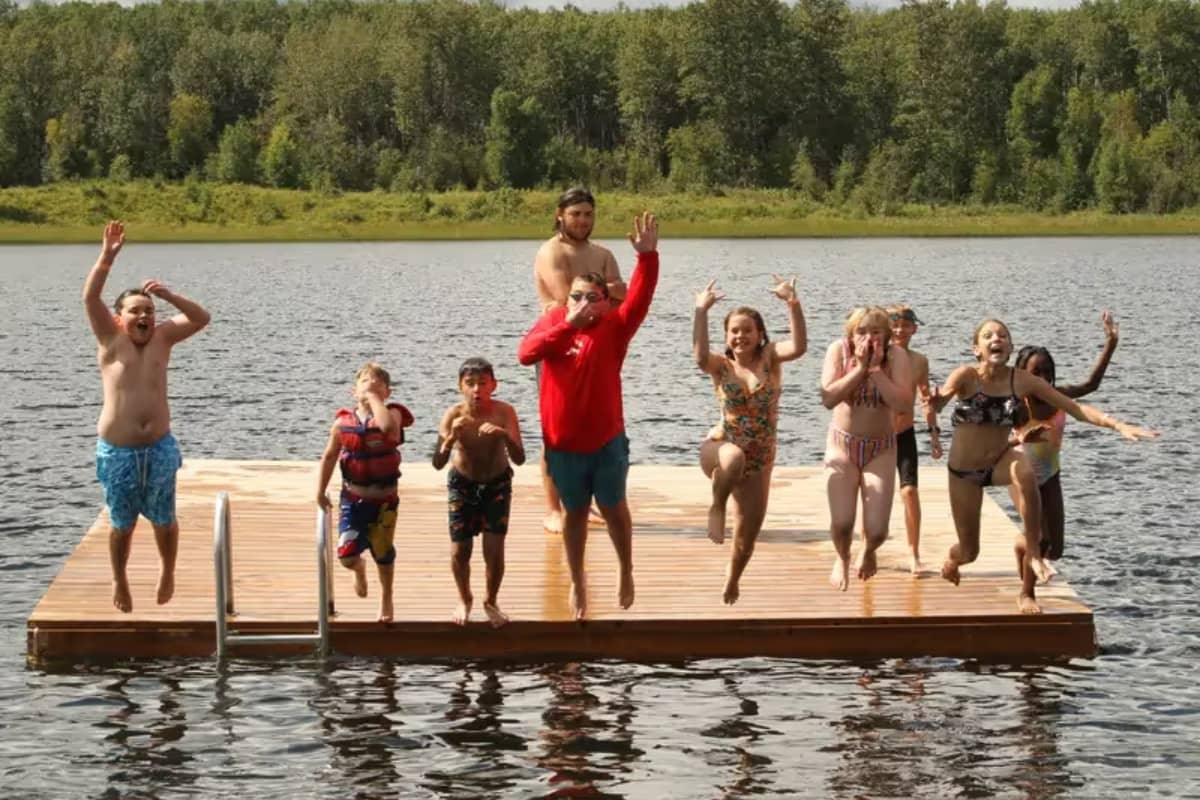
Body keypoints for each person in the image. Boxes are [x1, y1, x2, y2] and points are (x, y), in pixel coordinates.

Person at [930, 319, 1156, 614]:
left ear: (1010, 346)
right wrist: (935, 402)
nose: (996, 338)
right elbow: (942, 399)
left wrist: (1118, 425)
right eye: (988, 335)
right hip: (965, 472)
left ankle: (1033, 559)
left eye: (1002, 335)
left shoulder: (1022, 382)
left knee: (1026, 476)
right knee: (970, 551)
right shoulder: (967, 376)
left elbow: (1077, 407)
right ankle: (953, 559)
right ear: (977, 349)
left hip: (1007, 463)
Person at [518, 211, 659, 620]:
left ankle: (626, 569)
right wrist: (567, 325)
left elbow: (640, 299)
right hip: (563, 446)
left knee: (614, 509)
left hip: (606, 442)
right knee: (575, 514)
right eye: (576, 296)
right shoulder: (553, 323)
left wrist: (647, 258)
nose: (582, 303)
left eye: (591, 298)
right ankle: (578, 581)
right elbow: (525, 354)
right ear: (568, 300)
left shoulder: (614, 328)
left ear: (604, 303)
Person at [83, 221, 211, 613]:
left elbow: (201, 317)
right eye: (135, 310)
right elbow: (90, 297)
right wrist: (107, 256)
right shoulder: (111, 339)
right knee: (121, 523)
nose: (144, 316)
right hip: (119, 451)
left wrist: (168, 295)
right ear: (118, 318)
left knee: (164, 518)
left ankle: (167, 570)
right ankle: (119, 578)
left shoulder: (163, 337)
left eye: (149, 311)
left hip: (158, 447)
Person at [693, 276, 807, 604]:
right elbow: (699, 357)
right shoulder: (721, 365)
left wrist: (793, 303)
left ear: (760, 335)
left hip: (761, 457)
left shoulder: (770, 358)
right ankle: (717, 506)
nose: (740, 336)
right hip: (721, 447)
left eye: (747, 330)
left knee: (746, 538)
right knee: (733, 459)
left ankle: (733, 578)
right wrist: (701, 311)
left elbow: (798, 347)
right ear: (726, 336)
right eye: (734, 331)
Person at [532, 187, 627, 534]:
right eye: (575, 214)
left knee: (593, 423)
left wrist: (602, 295)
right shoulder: (551, 252)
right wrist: (607, 293)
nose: (582, 220)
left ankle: (581, 503)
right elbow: (568, 301)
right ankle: (552, 508)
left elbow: (624, 294)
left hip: (597, 347)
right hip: (558, 347)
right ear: (560, 215)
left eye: (588, 214)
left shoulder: (602, 253)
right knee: (556, 431)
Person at [1011, 310, 1119, 583]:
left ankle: (1021, 547)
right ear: (1023, 374)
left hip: (1050, 476)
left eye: (1048, 372)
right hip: (1022, 477)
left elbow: (1091, 385)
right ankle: (1027, 592)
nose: (1043, 378)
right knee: (1039, 539)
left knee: (1055, 549)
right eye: (1036, 372)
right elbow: (994, 439)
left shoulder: (1058, 396)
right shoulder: (1017, 405)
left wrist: (1111, 343)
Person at [820, 307, 913, 592]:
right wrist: (859, 369)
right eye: (861, 332)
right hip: (843, 445)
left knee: (878, 530)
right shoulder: (838, 351)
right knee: (842, 522)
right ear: (851, 335)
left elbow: (903, 404)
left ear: (886, 335)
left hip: (880, 448)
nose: (868, 338)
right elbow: (828, 398)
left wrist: (875, 370)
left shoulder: (896, 356)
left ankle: (869, 549)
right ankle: (842, 556)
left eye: (875, 332)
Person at [316, 362, 414, 623]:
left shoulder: (392, 414)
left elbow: (387, 429)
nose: (370, 386)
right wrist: (320, 490)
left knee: (383, 552)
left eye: (378, 385)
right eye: (365, 383)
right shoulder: (342, 423)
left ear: (388, 393)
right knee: (346, 554)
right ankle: (358, 569)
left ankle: (386, 597)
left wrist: (373, 399)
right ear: (353, 391)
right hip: (353, 499)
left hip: (384, 502)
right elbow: (329, 456)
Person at [433, 357, 526, 627]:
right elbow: (437, 462)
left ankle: (491, 600)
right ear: (460, 386)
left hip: (497, 483)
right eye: (470, 383)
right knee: (459, 551)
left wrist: (504, 436)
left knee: (494, 550)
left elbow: (519, 459)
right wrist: (451, 438)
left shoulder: (504, 412)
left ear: (493, 385)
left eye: (483, 383)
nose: (477, 390)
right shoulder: (453, 414)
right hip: (463, 483)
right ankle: (465, 598)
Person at [886, 305, 941, 575]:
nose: (899, 330)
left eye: (905, 325)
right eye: (894, 325)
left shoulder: (919, 361)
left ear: (914, 329)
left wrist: (934, 435)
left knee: (909, 491)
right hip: (878, 435)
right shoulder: (879, 356)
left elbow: (926, 399)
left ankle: (913, 552)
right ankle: (866, 547)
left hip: (905, 433)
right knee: (873, 491)